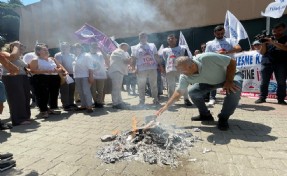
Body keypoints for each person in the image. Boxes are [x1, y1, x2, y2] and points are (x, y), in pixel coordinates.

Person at [156, 53, 243, 131]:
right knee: (193, 92)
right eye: (180, 71)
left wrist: (229, 81)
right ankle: (205, 115)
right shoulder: (184, 75)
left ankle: (223, 118)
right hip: (210, 81)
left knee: (234, 91)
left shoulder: (207, 58)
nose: (182, 73)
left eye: (183, 70)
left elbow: (232, 62)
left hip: (230, 76)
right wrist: (166, 106)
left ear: (192, 65)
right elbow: (179, 92)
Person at [205, 25, 242, 105]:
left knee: (231, 82)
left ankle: (234, 99)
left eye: (222, 33)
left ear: (224, 32)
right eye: (218, 34)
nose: (220, 35)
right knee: (213, 82)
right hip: (216, 66)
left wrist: (226, 52)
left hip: (229, 65)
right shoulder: (210, 43)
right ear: (214, 33)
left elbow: (238, 48)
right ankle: (212, 98)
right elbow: (206, 55)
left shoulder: (230, 40)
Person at [30, 43, 65, 118]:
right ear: (38, 51)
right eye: (44, 50)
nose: (46, 51)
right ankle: (44, 110)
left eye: (47, 49)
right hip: (42, 78)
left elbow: (60, 67)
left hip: (54, 78)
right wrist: (45, 71)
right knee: (43, 95)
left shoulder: (52, 59)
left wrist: (58, 70)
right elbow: (32, 71)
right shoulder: (35, 60)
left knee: (54, 94)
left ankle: (52, 108)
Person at [255, 23, 287, 105]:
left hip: (281, 63)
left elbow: (285, 48)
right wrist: (264, 43)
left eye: (279, 30)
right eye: (274, 31)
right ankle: (262, 97)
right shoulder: (268, 39)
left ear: (284, 29)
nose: (276, 32)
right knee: (264, 81)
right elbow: (262, 52)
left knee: (281, 82)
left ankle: (281, 99)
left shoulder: (285, 38)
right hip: (267, 62)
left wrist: (272, 42)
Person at [1, 41, 31, 126]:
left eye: (22, 46)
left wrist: (26, 69)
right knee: (17, 98)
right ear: (12, 47)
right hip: (11, 78)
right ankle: (19, 120)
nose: (22, 48)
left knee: (25, 98)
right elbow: (12, 57)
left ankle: (25, 116)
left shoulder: (19, 57)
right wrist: (16, 45)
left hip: (22, 78)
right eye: (20, 46)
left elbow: (22, 65)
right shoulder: (5, 53)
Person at [131, 32, 161, 105]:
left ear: (147, 37)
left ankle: (155, 100)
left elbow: (156, 56)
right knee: (141, 85)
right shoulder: (135, 47)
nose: (143, 38)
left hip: (152, 68)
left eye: (144, 36)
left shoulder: (152, 45)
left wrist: (160, 65)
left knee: (154, 85)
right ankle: (141, 100)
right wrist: (133, 69)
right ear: (139, 38)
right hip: (141, 69)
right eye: (141, 37)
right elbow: (133, 59)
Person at [162, 34, 192, 106]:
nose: (171, 40)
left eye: (172, 38)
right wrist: (163, 69)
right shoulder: (165, 50)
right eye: (169, 39)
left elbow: (186, 57)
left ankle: (186, 99)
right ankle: (171, 100)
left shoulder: (182, 48)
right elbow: (164, 59)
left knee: (183, 85)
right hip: (169, 69)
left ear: (176, 39)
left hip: (181, 69)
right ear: (167, 41)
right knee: (171, 86)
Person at [54, 42, 77, 111]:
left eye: (66, 46)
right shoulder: (58, 55)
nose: (65, 48)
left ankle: (71, 103)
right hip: (64, 74)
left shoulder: (72, 55)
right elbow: (59, 65)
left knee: (71, 89)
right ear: (61, 48)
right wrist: (64, 73)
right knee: (65, 90)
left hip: (72, 74)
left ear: (69, 47)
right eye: (63, 46)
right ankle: (66, 105)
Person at [72, 43, 94, 113]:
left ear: (81, 48)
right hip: (77, 76)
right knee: (80, 92)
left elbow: (91, 67)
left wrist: (91, 76)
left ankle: (89, 106)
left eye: (77, 48)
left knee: (86, 91)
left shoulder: (86, 55)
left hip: (85, 76)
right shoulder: (76, 57)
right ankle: (83, 105)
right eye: (74, 48)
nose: (75, 50)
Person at [108, 43, 130, 109]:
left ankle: (119, 101)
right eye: (126, 47)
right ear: (123, 46)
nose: (127, 49)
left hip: (118, 71)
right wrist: (132, 58)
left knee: (118, 88)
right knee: (116, 88)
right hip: (116, 71)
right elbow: (126, 61)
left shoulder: (119, 51)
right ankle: (115, 103)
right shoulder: (120, 51)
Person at [89, 42, 109, 108]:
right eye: (93, 47)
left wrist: (101, 49)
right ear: (90, 48)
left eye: (95, 47)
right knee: (93, 90)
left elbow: (106, 58)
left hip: (101, 75)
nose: (94, 48)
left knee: (100, 90)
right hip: (92, 75)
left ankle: (100, 102)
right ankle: (95, 102)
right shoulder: (87, 55)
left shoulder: (100, 54)